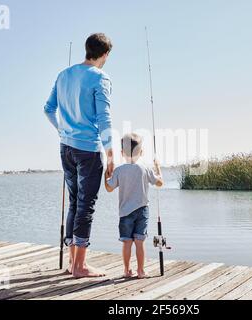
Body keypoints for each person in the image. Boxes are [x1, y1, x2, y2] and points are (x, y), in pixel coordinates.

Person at [44, 33, 114, 278]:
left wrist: (62, 130)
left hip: (66, 148)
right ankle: (79, 267)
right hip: (88, 150)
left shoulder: (63, 75)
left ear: (87, 50)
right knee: (86, 206)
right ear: (104, 54)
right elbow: (104, 116)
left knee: (74, 202)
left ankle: (73, 262)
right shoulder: (100, 77)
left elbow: (48, 108)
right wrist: (111, 152)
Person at [104, 133, 164, 279]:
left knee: (126, 242)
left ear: (122, 153)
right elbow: (160, 183)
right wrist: (158, 168)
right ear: (141, 152)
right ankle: (141, 271)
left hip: (125, 213)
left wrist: (106, 174)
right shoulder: (146, 169)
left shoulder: (118, 170)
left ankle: (126, 270)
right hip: (142, 211)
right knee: (139, 242)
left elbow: (109, 188)